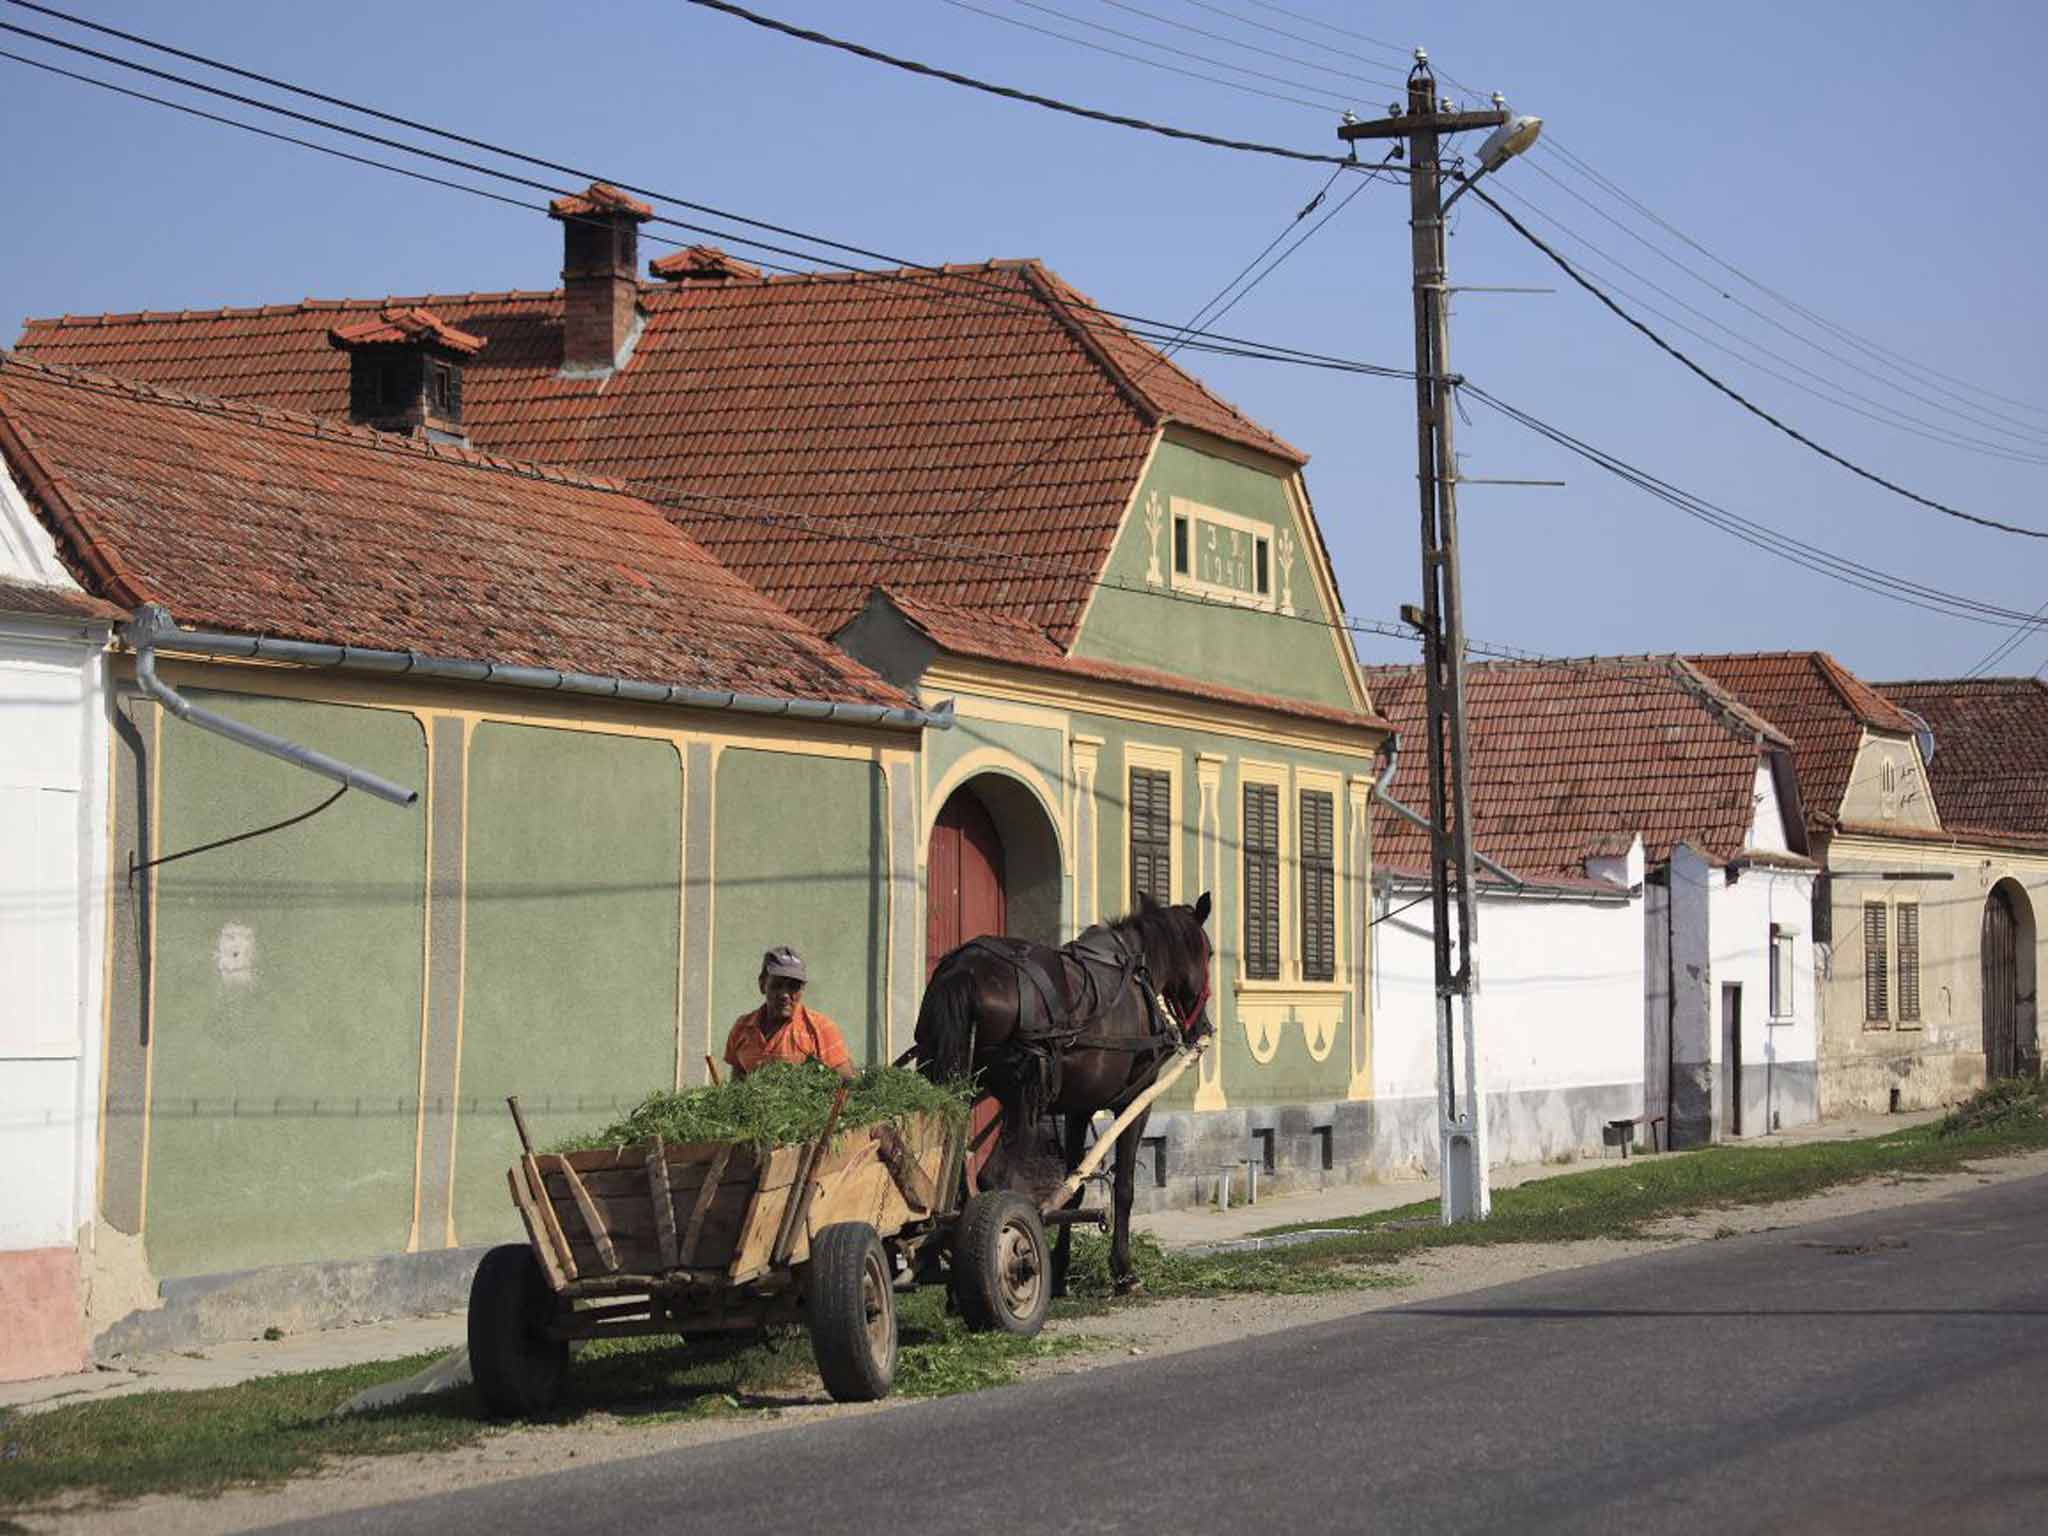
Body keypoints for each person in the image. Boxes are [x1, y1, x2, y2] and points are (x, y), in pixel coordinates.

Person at [722, 945, 855, 1081]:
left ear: (802, 989)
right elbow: (737, 1082)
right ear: (762, 984)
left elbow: (847, 1081)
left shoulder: (821, 1029)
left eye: (793, 987)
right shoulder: (742, 1027)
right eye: (777, 985)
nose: (784, 994)